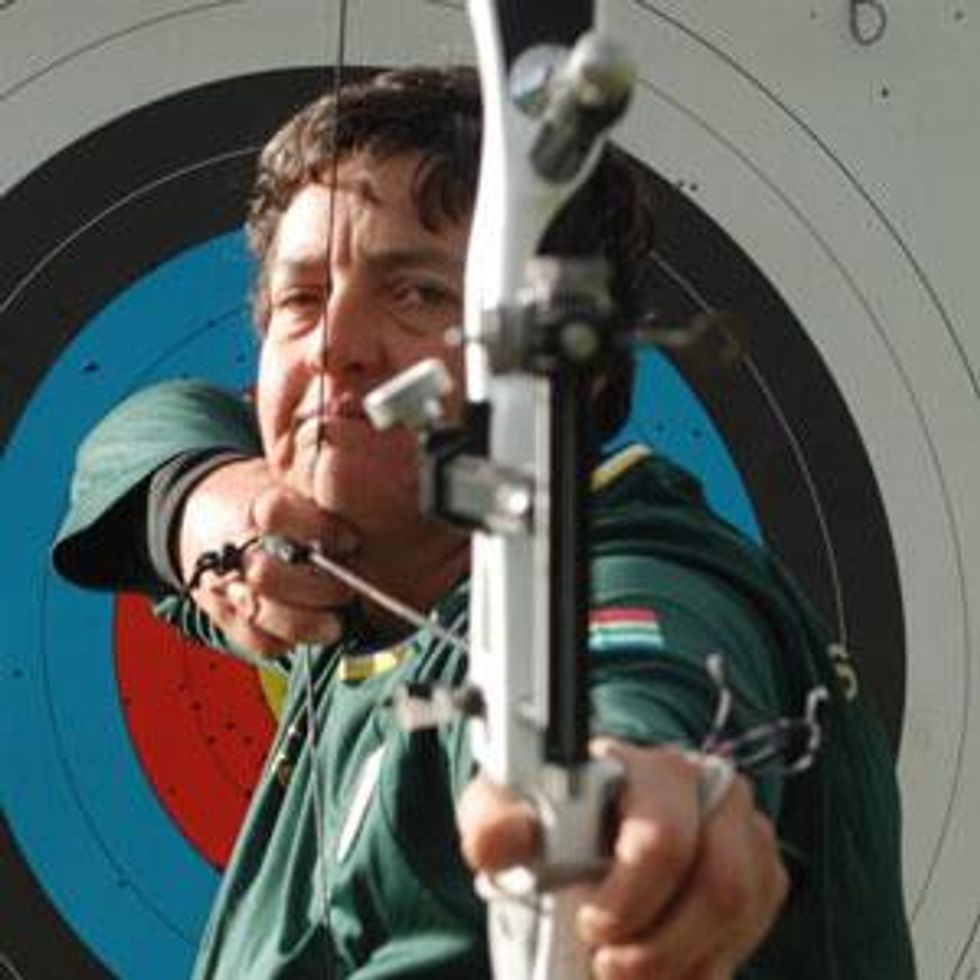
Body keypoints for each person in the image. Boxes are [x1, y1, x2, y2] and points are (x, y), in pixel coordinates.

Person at [53, 67, 915, 979]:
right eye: (302, 299)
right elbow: (143, 432)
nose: (337, 345)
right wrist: (204, 497)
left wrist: (626, 798)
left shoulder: (622, 570)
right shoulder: (334, 577)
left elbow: (626, 672)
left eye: (418, 294)